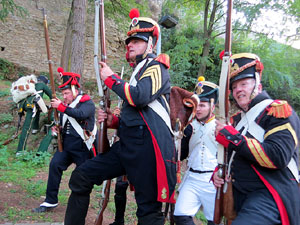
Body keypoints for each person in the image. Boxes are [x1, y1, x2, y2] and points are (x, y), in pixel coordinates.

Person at [64, 8, 176, 225]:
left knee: (148, 212)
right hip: (126, 147)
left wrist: (111, 79)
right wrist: (112, 121)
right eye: (130, 41)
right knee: (81, 177)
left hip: (147, 152)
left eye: (137, 40)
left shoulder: (156, 67)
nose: (130, 44)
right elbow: (136, 116)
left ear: (150, 45)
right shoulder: (137, 72)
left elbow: (140, 97)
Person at [213, 53, 300, 225]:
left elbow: (278, 156)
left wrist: (233, 138)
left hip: (270, 195)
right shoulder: (237, 120)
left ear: (257, 84)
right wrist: (219, 174)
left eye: (244, 84)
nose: (238, 90)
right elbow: (233, 159)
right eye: (235, 86)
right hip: (240, 196)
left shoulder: (277, 111)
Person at [32, 67, 97, 213]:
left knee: (82, 177)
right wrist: (58, 129)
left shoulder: (87, 103)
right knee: (55, 165)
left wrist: (61, 107)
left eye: (67, 93)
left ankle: (79, 205)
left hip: (82, 147)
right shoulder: (66, 106)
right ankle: (50, 200)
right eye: (63, 93)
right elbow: (65, 122)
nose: (65, 96)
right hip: (67, 145)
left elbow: (80, 114)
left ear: (74, 90)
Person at [173, 77, 218, 225]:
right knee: (180, 216)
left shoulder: (221, 127)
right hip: (192, 178)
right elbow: (182, 154)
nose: (198, 109)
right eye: (197, 105)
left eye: (203, 105)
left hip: (213, 181)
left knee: (214, 222)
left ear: (212, 106)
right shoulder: (189, 126)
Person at [16, 75, 52, 154]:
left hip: (24, 105)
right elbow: (52, 95)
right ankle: (20, 151)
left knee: (38, 108)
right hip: (31, 106)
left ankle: (35, 128)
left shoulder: (31, 86)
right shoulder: (42, 85)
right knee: (26, 128)